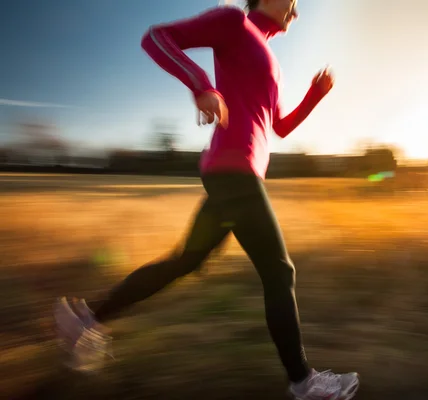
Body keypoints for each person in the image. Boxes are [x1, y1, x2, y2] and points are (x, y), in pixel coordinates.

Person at [54, 1, 360, 399]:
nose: (296, 13)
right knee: (279, 273)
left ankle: (85, 317)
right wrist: (202, 86)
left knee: (186, 260)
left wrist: (315, 95)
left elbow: (279, 127)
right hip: (235, 172)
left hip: (232, 173)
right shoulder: (233, 21)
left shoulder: (271, 59)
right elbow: (157, 39)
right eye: (293, 3)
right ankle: (305, 382)